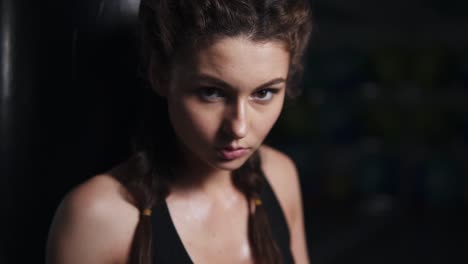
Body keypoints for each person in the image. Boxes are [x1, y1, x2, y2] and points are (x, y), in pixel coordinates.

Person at [46, 0, 312, 263]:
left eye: (264, 93)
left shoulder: (280, 176)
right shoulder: (98, 217)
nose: (238, 128)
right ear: (161, 75)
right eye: (211, 92)